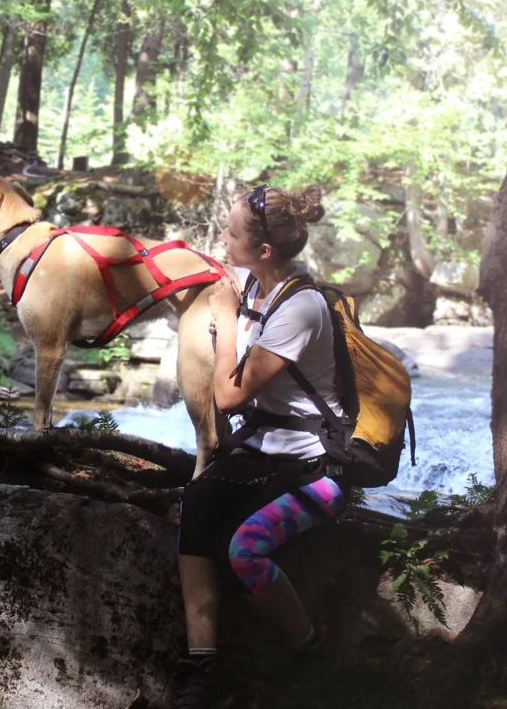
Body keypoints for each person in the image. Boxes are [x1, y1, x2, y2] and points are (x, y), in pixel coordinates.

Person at [169, 183, 345, 709]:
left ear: (264, 251)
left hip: (316, 467)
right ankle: (203, 662)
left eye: (230, 232)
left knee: (244, 551)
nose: (222, 238)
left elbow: (227, 395)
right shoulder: (255, 286)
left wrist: (225, 321)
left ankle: (310, 644)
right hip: (264, 449)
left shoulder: (301, 309)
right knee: (194, 505)